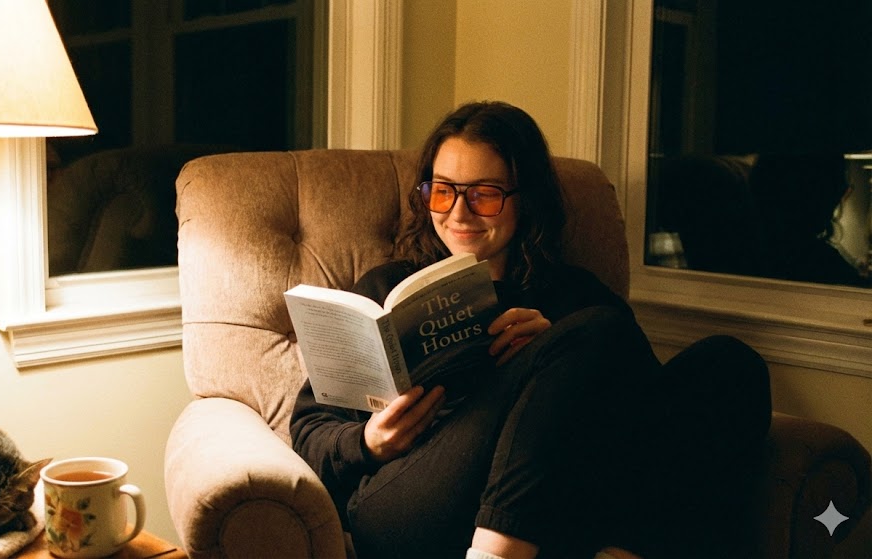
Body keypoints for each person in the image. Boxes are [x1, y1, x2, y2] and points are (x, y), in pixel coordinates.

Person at [290, 101, 771, 559]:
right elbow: (309, 430)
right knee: (592, 332)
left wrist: (558, 352)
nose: (458, 213)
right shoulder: (385, 287)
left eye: (484, 194)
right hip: (409, 503)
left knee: (731, 362)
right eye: (442, 190)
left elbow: (646, 414)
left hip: (549, 506)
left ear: (527, 199)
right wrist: (369, 442)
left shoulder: (574, 298)